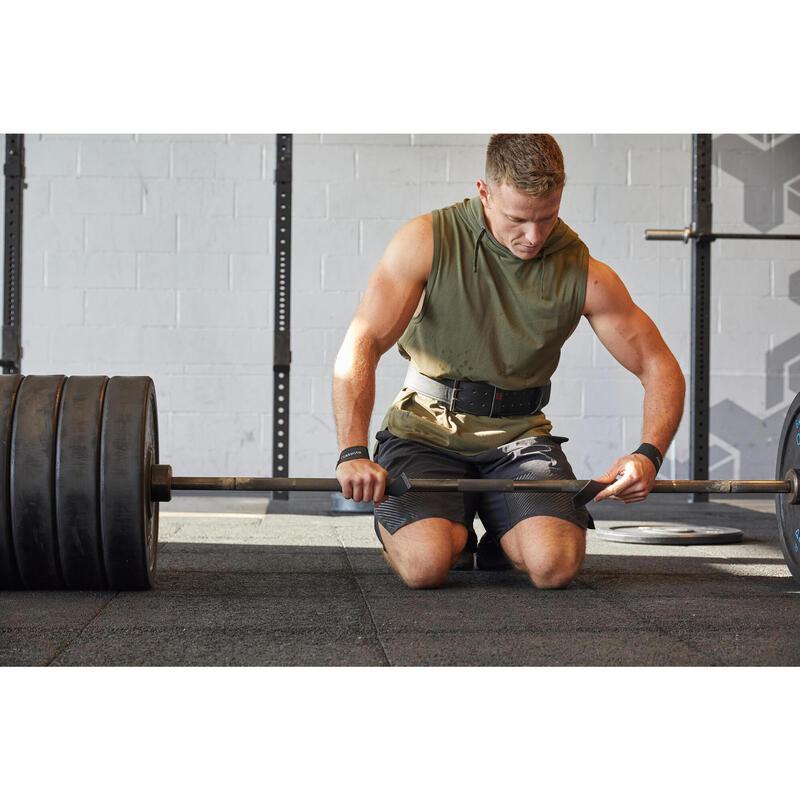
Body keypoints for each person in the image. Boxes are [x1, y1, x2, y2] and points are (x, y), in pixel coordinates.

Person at [332, 134, 685, 590]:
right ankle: (448, 536)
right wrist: (353, 452)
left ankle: (503, 533)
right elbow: (363, 343)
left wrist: (648, 453)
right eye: (518, 219)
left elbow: (658, 366)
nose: (534, 237)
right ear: (485, 192)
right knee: (425, 565)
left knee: (554, 567)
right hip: (424, 431)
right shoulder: (427, 241)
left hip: (519, 437)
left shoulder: (584, 272)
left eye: (548, 217)